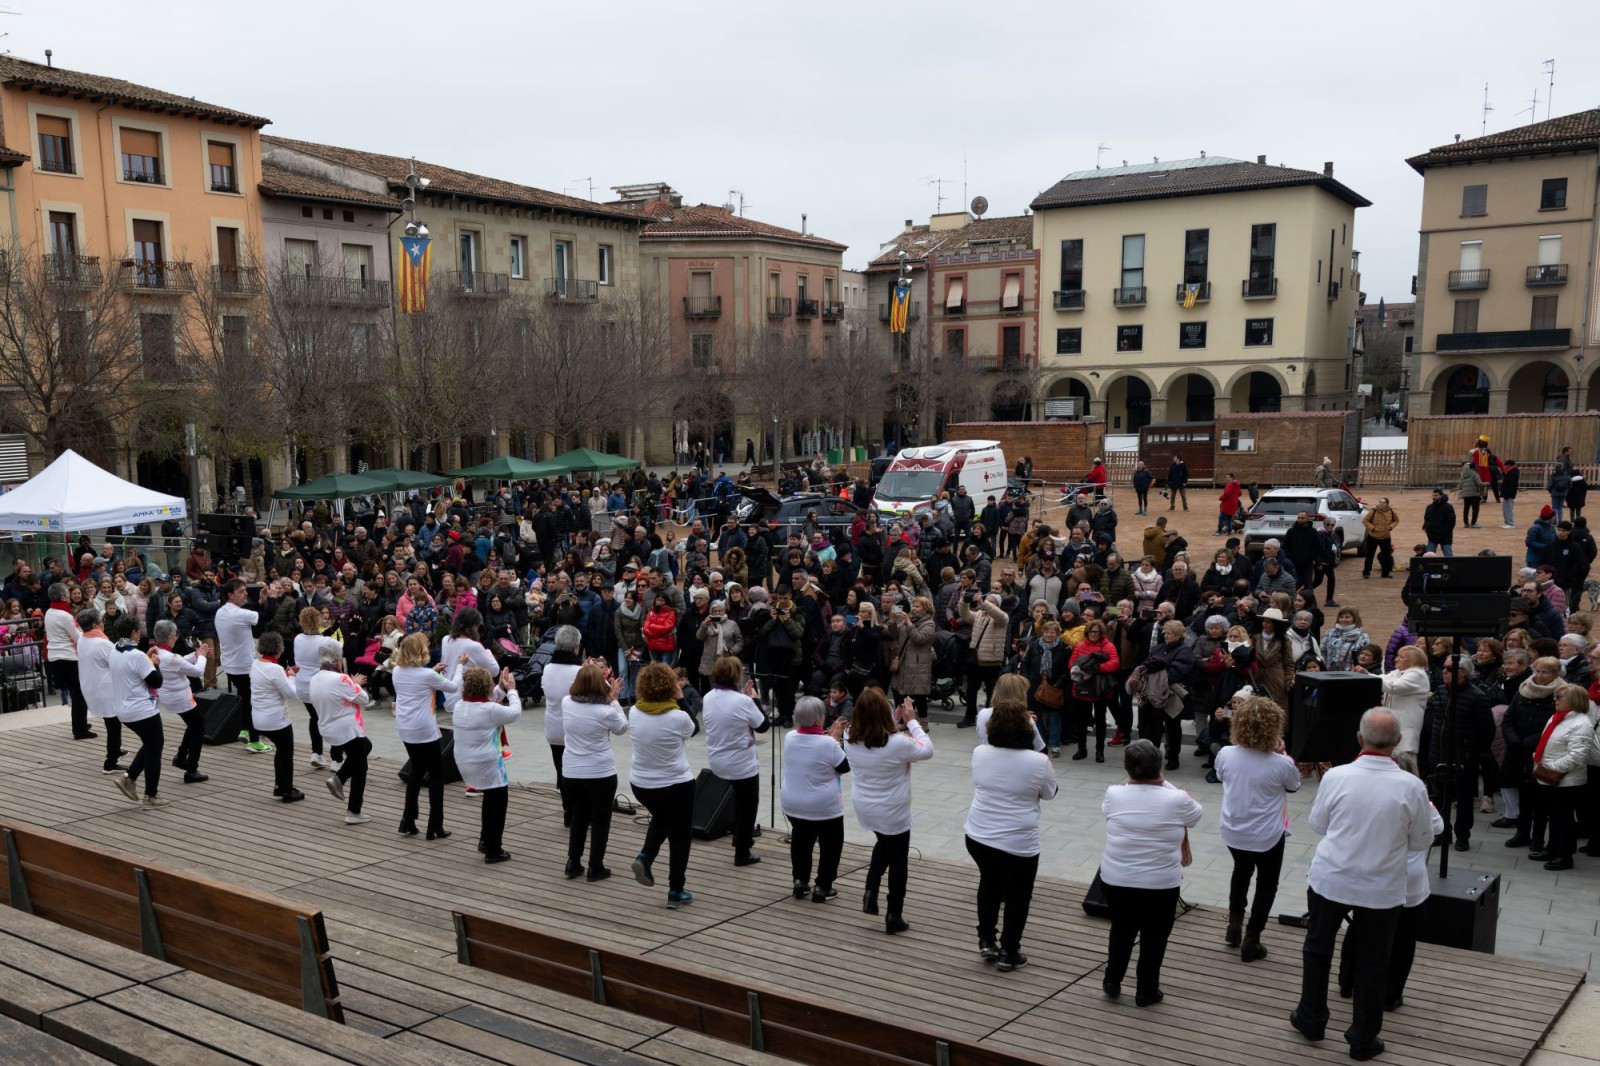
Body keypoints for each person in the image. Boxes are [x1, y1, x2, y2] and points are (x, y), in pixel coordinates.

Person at [1291, 708, 1434, 1062]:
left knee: (1318, 949)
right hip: (1381, 887)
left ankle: (1311, 1017)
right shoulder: (1412, 786)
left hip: (1332, 877)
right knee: (1373, 962)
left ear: (1359, 738)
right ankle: (1363, 1036)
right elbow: (1421, 841)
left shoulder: (1336, 776)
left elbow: (1319, 824)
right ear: (1398, 742)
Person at [1100, 739, 1203, 1006]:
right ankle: (1146, 991)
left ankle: (1112, 980)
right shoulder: (1177, 798)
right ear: (1159, 768)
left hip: (1116, 879)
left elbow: (1108, 813)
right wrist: (1163, 782)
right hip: (1160, 884)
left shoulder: (1114, 794)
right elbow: (1196, 816)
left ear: (1128, 768)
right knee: (1155, 936)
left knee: (1121, 929)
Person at [965, 685, 1057, 971]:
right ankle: (1009, 951)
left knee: (989, 883)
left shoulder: (980, 752)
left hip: (979, 834)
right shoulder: (1038, 761)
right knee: (1018, 894)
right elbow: (1050, 794)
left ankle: (985, 940)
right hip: (1018, 841)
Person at [1214, 696, 1300, 962]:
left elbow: (1220, 776)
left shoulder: (1226, 754)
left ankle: (1234, 924)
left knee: (1241, 872)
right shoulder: (1281, 763)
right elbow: (1294, 785)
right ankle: (1252, 937)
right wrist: (1282, 754)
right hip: (1267, 833)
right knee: (1266, 883)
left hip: (1234, 828)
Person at [846, 686, 934, 934]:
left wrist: (894, 717)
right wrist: (912, 720)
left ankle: (870, 891)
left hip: (866, 805)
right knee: (898, 860)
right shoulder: (897, 743)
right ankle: (893, 914)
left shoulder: (850, 734)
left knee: (884, 843)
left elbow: (874, 731)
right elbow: (927, 749)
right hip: (892, 810)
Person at [628, 662, 699, 908]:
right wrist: (681, 698)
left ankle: (646, 856)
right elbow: (695, 728)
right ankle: (675, 890)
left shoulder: (634, 712)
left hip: (641, 784)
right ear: (671, 686)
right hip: (675, 784)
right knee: (680, 836)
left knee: (662, 817)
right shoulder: (677, 717)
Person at [561, 661, 628, 882]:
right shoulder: (605, 711)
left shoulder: (566, 703)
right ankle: (595, 866)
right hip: (600, 771)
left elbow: (576, 690)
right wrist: (615, 700)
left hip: (571, 771)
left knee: (580, 814)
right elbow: (622, 728)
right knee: (600, 819)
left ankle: (573, 862)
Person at [391, 633, 462, 839]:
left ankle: (408, 819)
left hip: (405, 726)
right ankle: (435, 825)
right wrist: (460, 666)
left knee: (417, 768)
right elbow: (453, 687)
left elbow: (417, 679)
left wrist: (432, 672)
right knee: (436, 774)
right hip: (423, 728)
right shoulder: (425, 675)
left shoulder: (397, 671)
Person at [781, 695, 850, 905]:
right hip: (823, 807)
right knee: (831, 844)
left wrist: (829, 738)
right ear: (820, 719)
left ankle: (800, 881)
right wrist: (836, 739)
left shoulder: (790, 737)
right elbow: (844, 767)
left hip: (793, 804)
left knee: (801, 841)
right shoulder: (828, 744)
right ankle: (823, 886)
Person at [701, 655, 769, 866]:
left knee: (737, 800)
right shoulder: (744, 702)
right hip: (741, 763)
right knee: (748, 805)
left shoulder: (708, 697)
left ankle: (737, 832)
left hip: (717, 759)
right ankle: (742, 850)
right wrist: (754, 699)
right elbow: (763, 726)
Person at [452, 665, 522, 863]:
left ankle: (485, 840)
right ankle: (493, 849)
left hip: (464, 761)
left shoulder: (460, 705)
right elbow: (515, 712)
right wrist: (512, 690)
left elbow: (485, 704)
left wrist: (499, 688)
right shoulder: (489, 709)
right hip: (487, 762)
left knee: (490, 798)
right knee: (498, 802)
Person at [1529, 683, 1595, 871]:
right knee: (1554, 816)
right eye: (1555, 696)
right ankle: (1552, 849)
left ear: (1574, 701)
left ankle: (1565, 856)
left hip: (1566, 780)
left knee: (1564, 818)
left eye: (1560, 697)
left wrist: (1551, 768)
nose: (1555, 700)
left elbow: (1578, 755)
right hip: (1548, 776)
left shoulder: (1581, 723)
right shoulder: (1556, 718)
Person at [108, 616, 168, 808]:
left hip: (123, 710)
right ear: (134, 632)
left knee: (150, 745)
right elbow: (156, 681)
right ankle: (151, 794)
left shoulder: (115, 649)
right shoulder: (137, 656)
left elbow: (133, 667)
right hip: (143, 710)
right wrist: (155, 663)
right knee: (155, 749)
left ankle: (129, 778)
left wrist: (146, 657)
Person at [310, 645, 373, 825]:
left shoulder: (316, 678)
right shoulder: (341, 679)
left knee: (366, 747)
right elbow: (364, 699)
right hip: (347, 730)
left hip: (328, 728)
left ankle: (339, 778)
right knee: (361, 768)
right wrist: (356, 684)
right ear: (339, 659)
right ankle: (354, 811)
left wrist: (351, 684)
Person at [151, 620, 210, 784]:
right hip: (180, 697)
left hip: (170, 696)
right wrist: (202, 657)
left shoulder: (158, 652)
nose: (177, 637)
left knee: (193, 724)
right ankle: (191, 770)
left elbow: (178, 661)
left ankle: (181, 756)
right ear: (170, 637)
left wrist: (195, 655)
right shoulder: (170, 657)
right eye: (175, 635)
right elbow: (198, 671)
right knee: (199, 727)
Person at [218, 578, 272, 753]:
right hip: (244, 667)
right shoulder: (239, 614)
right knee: (253, 702)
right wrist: (273, 597)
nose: (246, 593)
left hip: (231, 666)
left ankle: (245, 730)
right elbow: (267, 616)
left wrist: (260, 602)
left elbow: (251, 614)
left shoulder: (222, 612)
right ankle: (254, 739)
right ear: (230, 595)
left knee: (245, 698)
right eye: (241, 591)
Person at [248, 633, 304, 803]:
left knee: (281, 750)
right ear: (279, 650)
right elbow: (291, 694)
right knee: (286, 753)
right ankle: (287, 790)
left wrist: (286, 676)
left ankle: (279, 786)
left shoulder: (255, 664)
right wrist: (292, 677)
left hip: (258, 718)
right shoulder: (276, 669)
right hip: (276, 719)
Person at [541, 626, 583, 825]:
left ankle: (568, 812)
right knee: (577, 772)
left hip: (553, 728)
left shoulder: (548, 668)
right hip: (574, 728)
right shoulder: (579, 670)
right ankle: (578, 812)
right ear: (576, 648)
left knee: (561, 770)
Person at [292, 607, 342, 770]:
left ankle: (316, 753)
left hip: (302, 686)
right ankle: (336, 760)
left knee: (314, 717)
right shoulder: (324, 642)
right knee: (333, 719)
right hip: (319, 687)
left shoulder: (298, 638)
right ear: (318, 620)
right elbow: (338, 648)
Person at [76, 608, 124, 775]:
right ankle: (110, 762)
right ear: (96, 624)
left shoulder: (82, 639)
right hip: (106, 689)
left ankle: (115, 750)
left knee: (112, 723)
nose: (104, 623)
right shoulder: (102, 643)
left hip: (93, 687)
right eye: (102, 621)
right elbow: (119, 662)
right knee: (114, 726)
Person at [46, 584, 92, 740]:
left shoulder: (49, 612)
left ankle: (80, 723)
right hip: (68, 657)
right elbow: (77, 636)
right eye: (67, 593)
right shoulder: (65, 615)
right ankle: (80, 729)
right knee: (79, 694)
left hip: (55, 657)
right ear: (64, 597)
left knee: (75, 693)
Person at [1377, 644, 1431, 755]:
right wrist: (1365, 674)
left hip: (1406, 727)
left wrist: (1368, 677)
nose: (1396, 659)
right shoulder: (1398, 672)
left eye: (1401, 657)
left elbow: (1392, 686)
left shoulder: (1417, 674)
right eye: (1397, 656)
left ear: (1412, 660)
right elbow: (1382, 678)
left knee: (1405, 760)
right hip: (1393, 726)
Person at [1422, 488, 1456, 558]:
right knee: (1428, 557)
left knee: (1448, 556)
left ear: (1441, 496)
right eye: (1433, 495)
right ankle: (1429, 569)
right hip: (1432, 536)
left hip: (1445, 536)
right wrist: (1425, 527)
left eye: (1436, 495)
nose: (1434, 497)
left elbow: (1451, 522)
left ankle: (1450, 569)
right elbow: (1426, 519)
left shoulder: (1448, 507)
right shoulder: (1429, 507)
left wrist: (1445, 532)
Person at [1458, 458, 1484, 529]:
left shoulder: (1464, 474)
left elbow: (1461, 484)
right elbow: (1479, 484)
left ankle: (1466, 523)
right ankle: (1473, 523)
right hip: (1474, 494)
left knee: (1466, 509)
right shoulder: (1475, 474)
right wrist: (1487, 483)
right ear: (1475, 467)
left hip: (1466, 494)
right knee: (1475, 509)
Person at [1500, 459, 1521, 529]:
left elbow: (1512, 485)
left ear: (1508, 465)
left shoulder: (1513, 472)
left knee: (1508, 509)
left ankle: (1510, 523)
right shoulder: (1510, 471)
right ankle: (1507, 522)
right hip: (1507, 493)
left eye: (1505, 465)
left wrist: (1507, 493)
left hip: (1509, 493)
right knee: (1505, 509)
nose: (1504, 466)